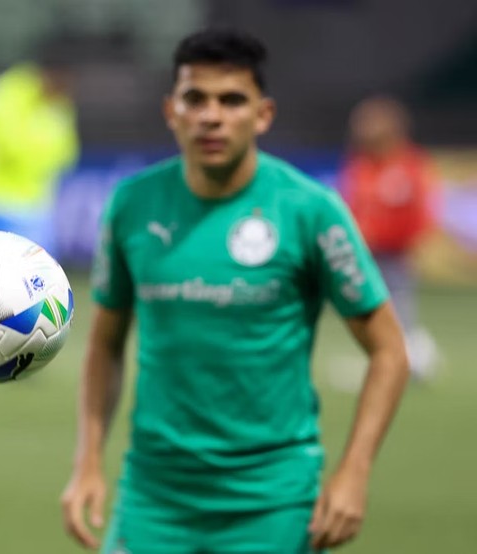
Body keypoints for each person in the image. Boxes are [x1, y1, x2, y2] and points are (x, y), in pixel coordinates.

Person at [60, 29, 410, 553]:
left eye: (231, 100)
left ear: (263, 114)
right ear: (170, 111)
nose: (211, 115)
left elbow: (389, 351)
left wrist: (354, 472)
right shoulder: (132, 205)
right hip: (155, 494)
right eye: (194, 99)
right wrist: (87, 462)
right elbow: (105, 345)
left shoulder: (309, 210)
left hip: (272, 497)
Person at [340, 95, 440, 380]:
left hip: (395, 252)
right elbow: (353, 205)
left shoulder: (410, 165)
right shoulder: (361, 165)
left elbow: (421, 211)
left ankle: (408, 359)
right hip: (366, 251)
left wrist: (407, 240)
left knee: (398, 306)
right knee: (367, 306)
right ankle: (381, 360)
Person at [0, 43, 79, 255]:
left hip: (37, 206)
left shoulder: (58, 100)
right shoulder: (7, 94)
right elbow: (9, 148)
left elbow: (67, 153)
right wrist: (42, 152)